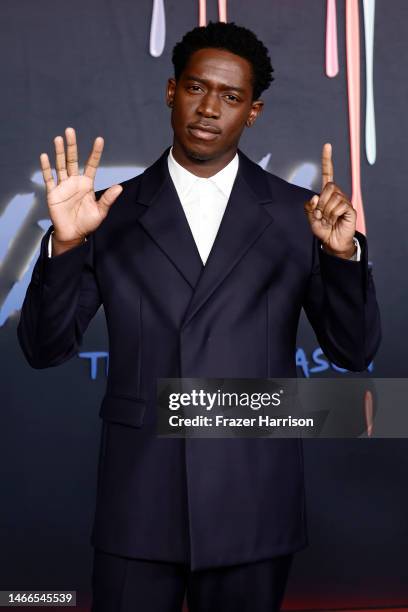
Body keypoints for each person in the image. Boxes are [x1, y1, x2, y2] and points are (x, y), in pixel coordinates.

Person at [17, 21, 381, 612]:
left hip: (253, 497)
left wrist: (343, 258)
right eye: (196, 88)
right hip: (138, 502)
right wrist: (65, 247)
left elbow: (354, 349)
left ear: (253, 112)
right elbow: (43, 347)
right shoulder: (107, 213)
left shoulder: (300, 216)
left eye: (231, 97)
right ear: (170, 92)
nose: (210, 108)